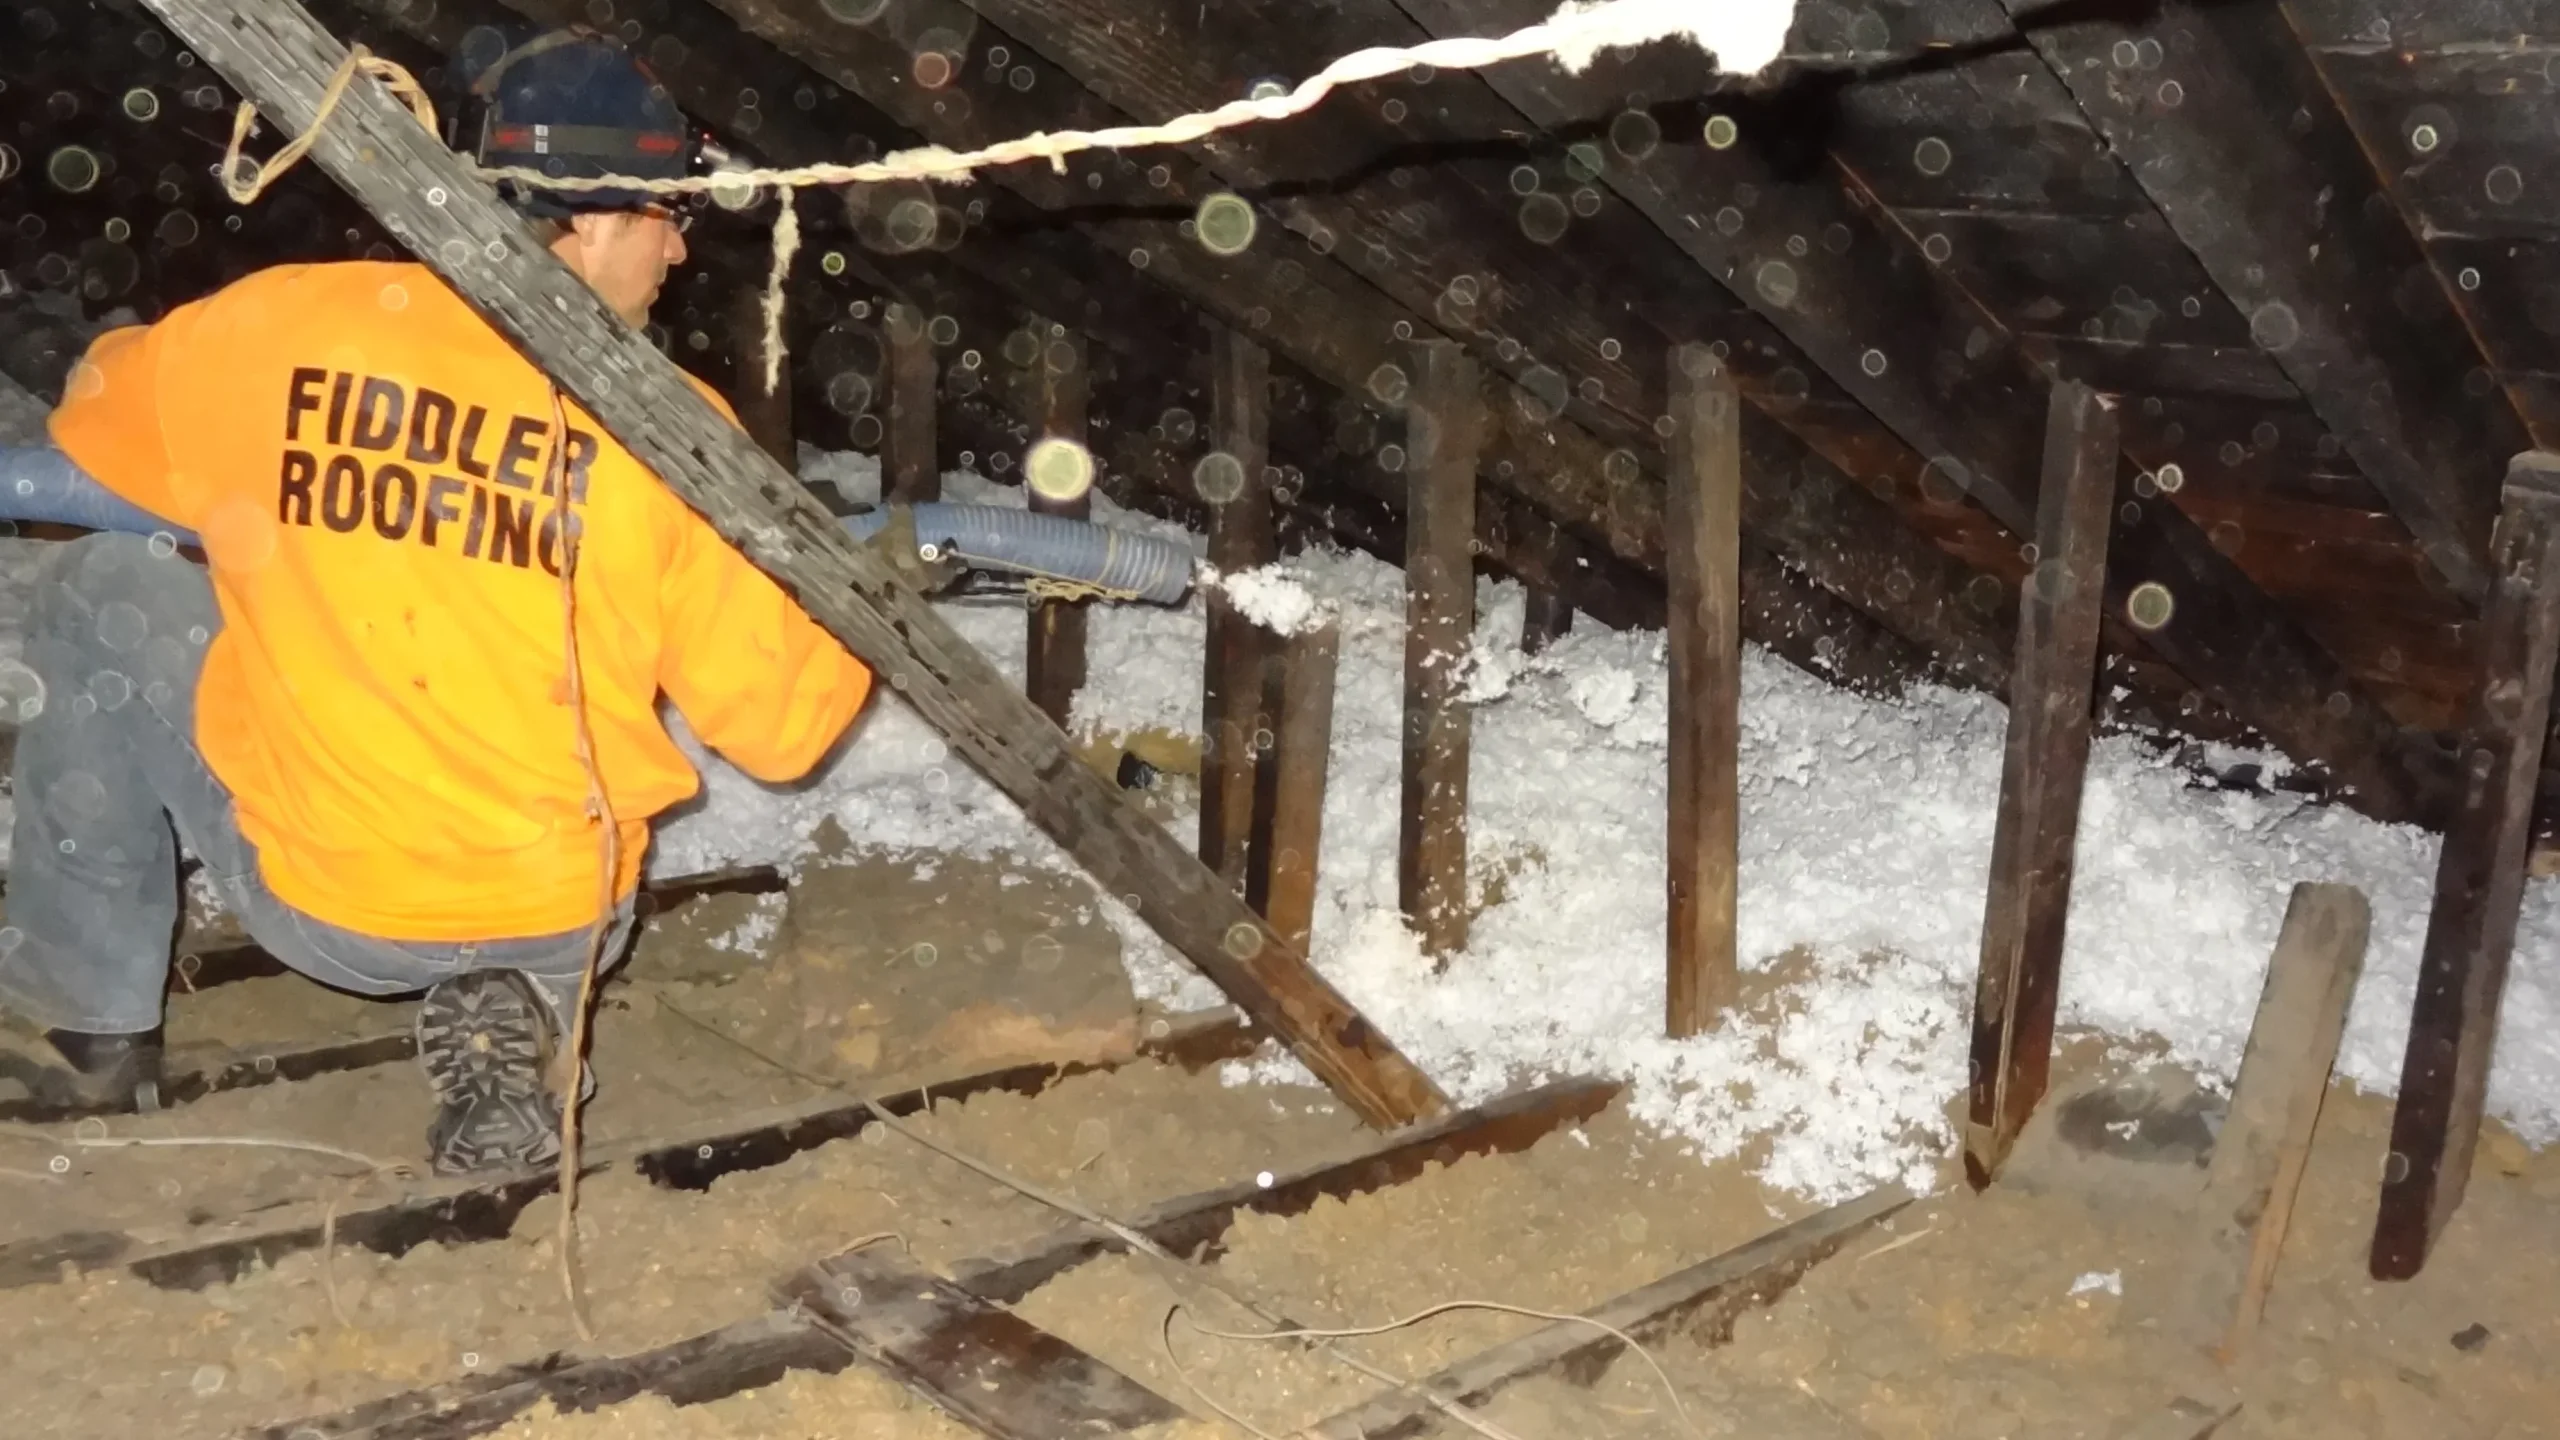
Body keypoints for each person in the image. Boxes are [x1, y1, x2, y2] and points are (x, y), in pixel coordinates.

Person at [0, 33, 875, 1174]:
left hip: (334, 908)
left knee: (97, 585)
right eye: (670, 212)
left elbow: (92, 416)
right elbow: (787, 730)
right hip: (563, 917)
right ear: (596, 219)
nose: (678, 247)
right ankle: (517, 1011)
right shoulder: (677, 427)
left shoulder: (280, 326)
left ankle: (87, 1034)